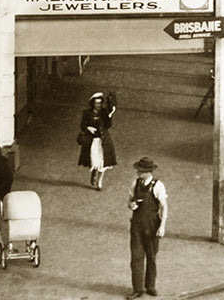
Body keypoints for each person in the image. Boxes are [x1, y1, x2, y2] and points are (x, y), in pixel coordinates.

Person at [127, 157, 168, 299]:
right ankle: (137, 289)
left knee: (151, 256)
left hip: (152, 224)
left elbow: (164, 206)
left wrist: (162, 226)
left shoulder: (157, 186)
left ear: (148, 172)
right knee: (136, 257)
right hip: (137, 225)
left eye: (141, 171)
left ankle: (150, 286)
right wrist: (131, 205)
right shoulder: (135, 184)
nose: (138, 173)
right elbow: (130, 200)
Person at [78, 91, 118, 190]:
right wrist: (88, 128)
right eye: (97, 103)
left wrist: (110, 115)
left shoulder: (104, 112)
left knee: (103, 162)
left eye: (100, 103)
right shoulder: (87, 113)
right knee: (94, 161)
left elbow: (108, 126)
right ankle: (94, 172)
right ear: (93, 104)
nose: (99, 105)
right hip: (92, 141)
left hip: (103, 141)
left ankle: (99, 183)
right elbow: (82, 125)